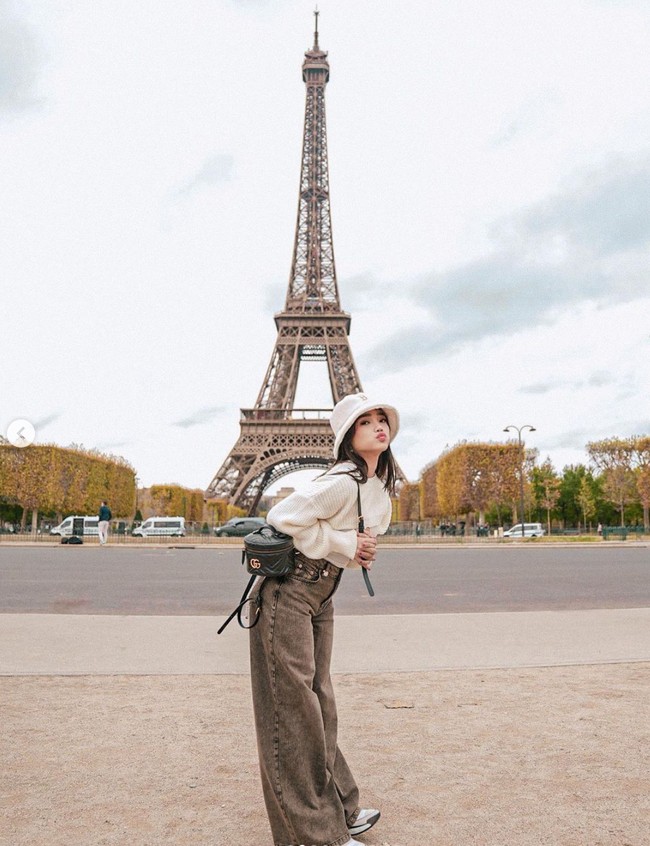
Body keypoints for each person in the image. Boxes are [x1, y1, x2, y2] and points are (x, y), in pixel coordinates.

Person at [249, 393, 399, 846]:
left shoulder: (375, 488)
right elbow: (282, 515)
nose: (377, 426)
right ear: (348, 436)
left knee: (320, 704)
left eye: (381, 419)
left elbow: (342, 543)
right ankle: (317, 834)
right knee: (294, 711)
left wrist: (353, 551)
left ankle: (341, 809)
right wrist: (346, 543)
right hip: (288, 592)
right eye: (365, 422)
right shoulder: (342, 481)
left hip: (320, 594)